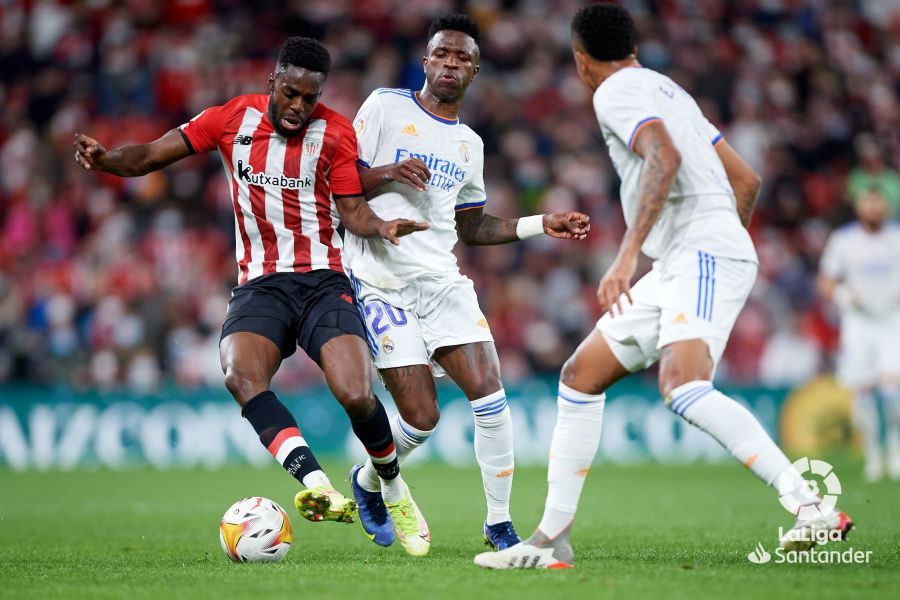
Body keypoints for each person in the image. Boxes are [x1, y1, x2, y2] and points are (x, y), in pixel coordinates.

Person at [474, 3, 852, 570]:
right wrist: (714, 243)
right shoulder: (670, 90)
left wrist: (632, 256)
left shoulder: (614, 92)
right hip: (687, 258)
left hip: (696, 255)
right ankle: (551, 540)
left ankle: (811, 507)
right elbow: (745, 179)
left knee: (682, 387)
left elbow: (664, 157)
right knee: (580, 376)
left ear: (581, 60)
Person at [74, 36, 432, 556]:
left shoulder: (334, 132)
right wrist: (107, 161)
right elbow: (151, 155)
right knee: (240, 374)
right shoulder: (229, 119)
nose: (297, 107)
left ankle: (393, 488)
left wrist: (382, 227)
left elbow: (352, 211)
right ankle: (316, 485)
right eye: (290, 94)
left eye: (309, 99)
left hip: (323, 281)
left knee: (356, 393)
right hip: (261, 284)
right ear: (273, 82)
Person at [342, 14, 590, 552]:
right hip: (379, 279)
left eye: (462, 59)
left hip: (441, 282)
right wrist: (387, 171)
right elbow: (337, 183)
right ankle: (367, 479)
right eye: (442, 55)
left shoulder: (469, 145)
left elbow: (471, 225)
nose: (451, 64)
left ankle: (499, 523)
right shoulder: (384, 107)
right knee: (422, 419)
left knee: (490, 394)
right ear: (426, 61)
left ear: (475, 71)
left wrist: (538, 224)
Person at [819, 187, 900, 482]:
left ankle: (895, 447)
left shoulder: (896, 237)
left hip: (892, 320)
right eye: (869, 203)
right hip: (859, 322)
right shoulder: (844, 240)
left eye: (878, 203)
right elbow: (826, 280)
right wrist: (841, 294)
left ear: (886, 206)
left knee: (893, 392)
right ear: (859, 207)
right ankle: (872, 455)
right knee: (862, 391)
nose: (874, 208)